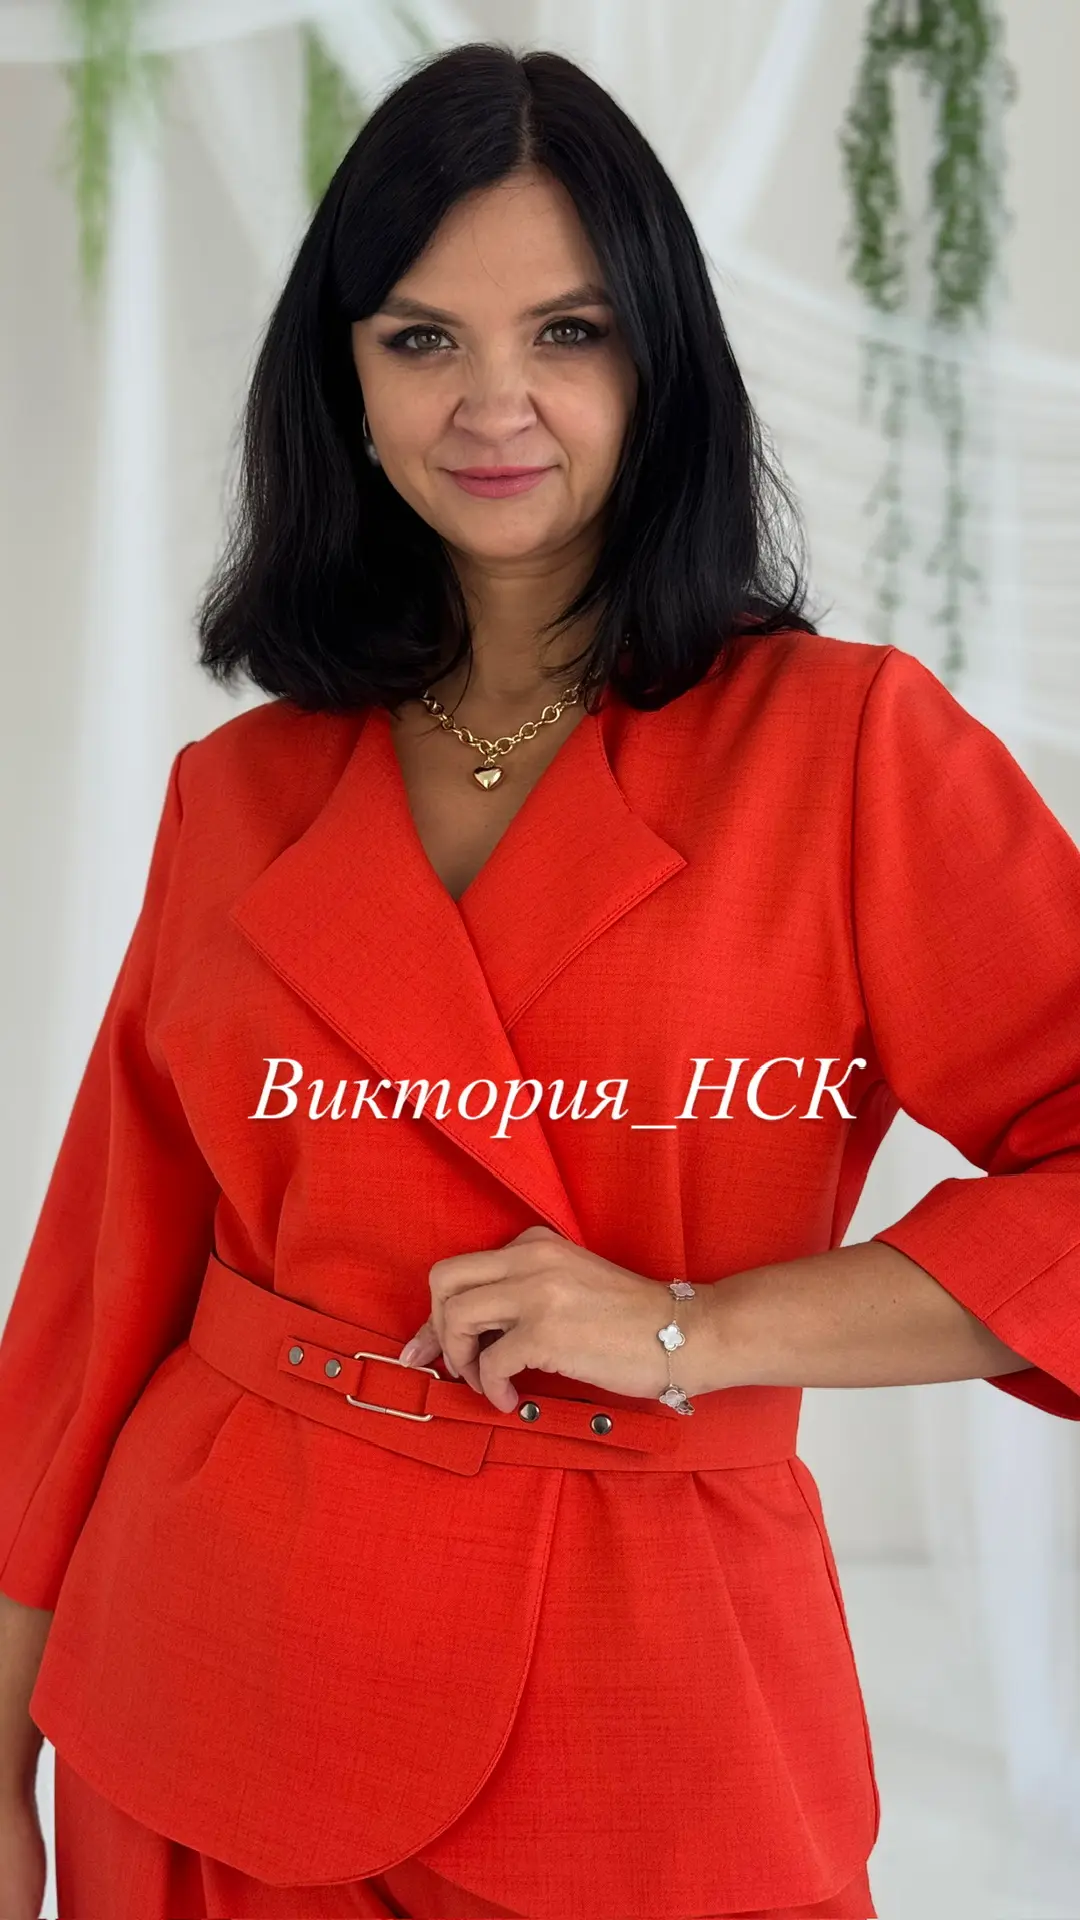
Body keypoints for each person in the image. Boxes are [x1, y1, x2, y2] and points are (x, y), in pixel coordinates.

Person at [2, 37, 1079, 1920]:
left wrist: (692, 1331)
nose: (492, 403)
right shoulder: (236, 793)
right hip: (205, 1693)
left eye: (567, 331)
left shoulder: (847, 749)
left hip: (646, 1711)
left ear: (662, 365)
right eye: (421, 337)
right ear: (342, 379)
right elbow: (98, 1293)